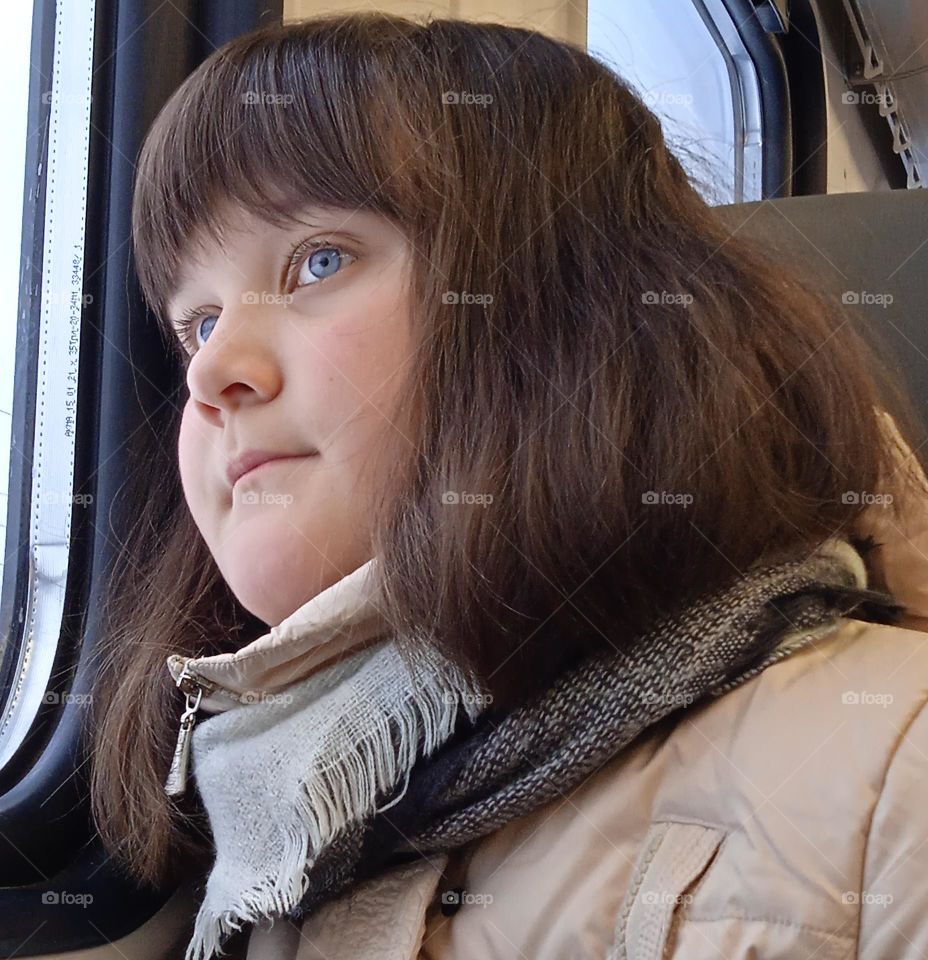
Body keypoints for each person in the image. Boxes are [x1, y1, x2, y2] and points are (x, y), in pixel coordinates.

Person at [88, 13, 928, 960]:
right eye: (195, 324)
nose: (210, 373)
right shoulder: (261, 832)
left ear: (568, 308)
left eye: (317, 260)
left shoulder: (900, 760)